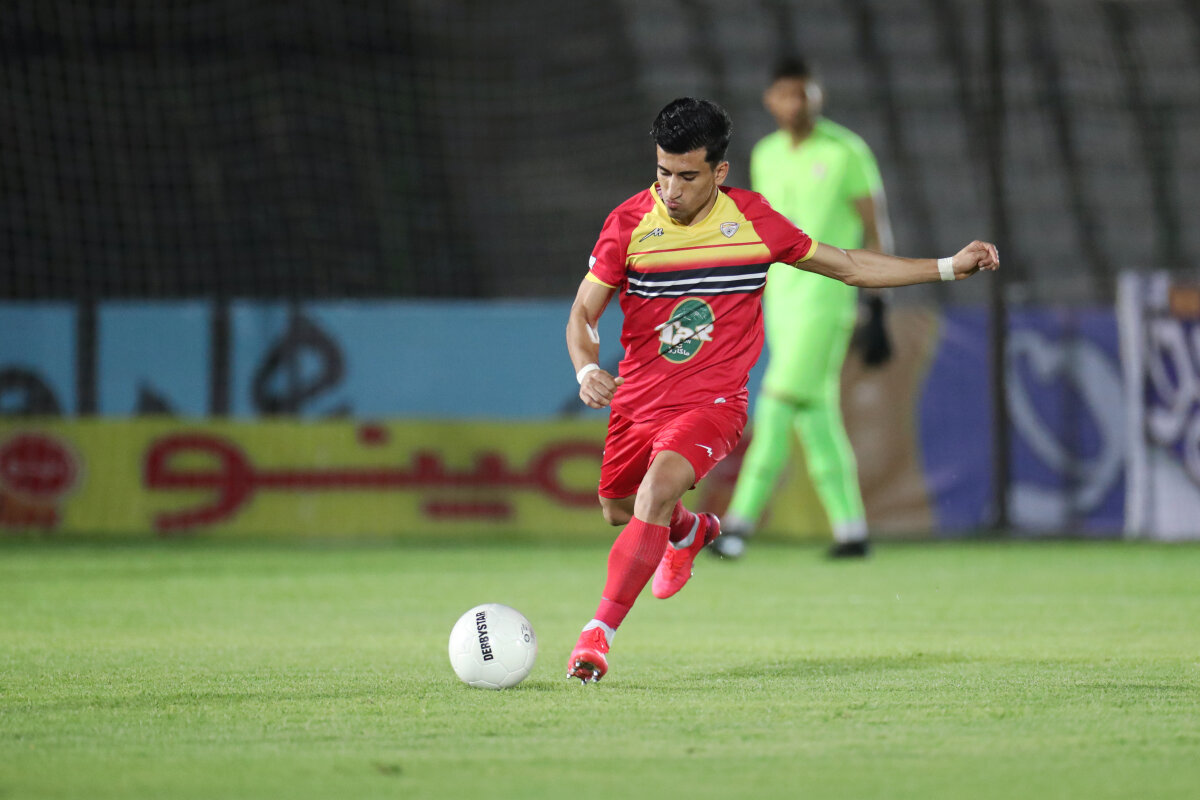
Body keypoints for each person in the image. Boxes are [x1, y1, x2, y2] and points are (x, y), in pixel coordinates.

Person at [564, 97, 998, 683]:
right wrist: (586, 369)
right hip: (639, 401)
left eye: (687, 176)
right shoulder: (628, 223)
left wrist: (947, 267)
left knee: (656, 490)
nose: (671, 190)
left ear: (719, 172)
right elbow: (584, 313)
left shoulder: (752, 222)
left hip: (714, 402)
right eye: (663, 172)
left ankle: (597, 637)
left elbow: (848, 265)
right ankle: (690, 531)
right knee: (619, 509)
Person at [710, 56, 893, 562]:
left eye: (804, 94)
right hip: (781, 300)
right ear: (771, 100)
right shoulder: (766, 154)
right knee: (816, 416)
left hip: (826, 297)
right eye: (786, 94)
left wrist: (879, 305)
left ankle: (738, 525)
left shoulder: (846, 151)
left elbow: (876, 228)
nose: (796, 104)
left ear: (817, 96)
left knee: (776, 403)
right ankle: (852, 530)